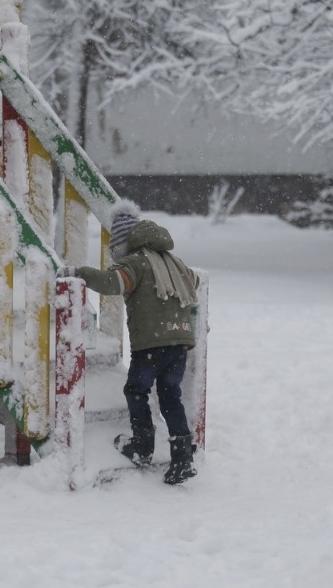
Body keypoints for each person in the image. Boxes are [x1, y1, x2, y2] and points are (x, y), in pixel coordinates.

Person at [57, 199, 200, 485]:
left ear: (124, 245)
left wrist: (80, 273)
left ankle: (143, 446)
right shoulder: (173, 261)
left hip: (151, 344)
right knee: (170, 396)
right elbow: (194, 281)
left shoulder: (135, 263)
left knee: (136, 390)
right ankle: (183, 457)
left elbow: (113, 283)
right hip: (180, 341)